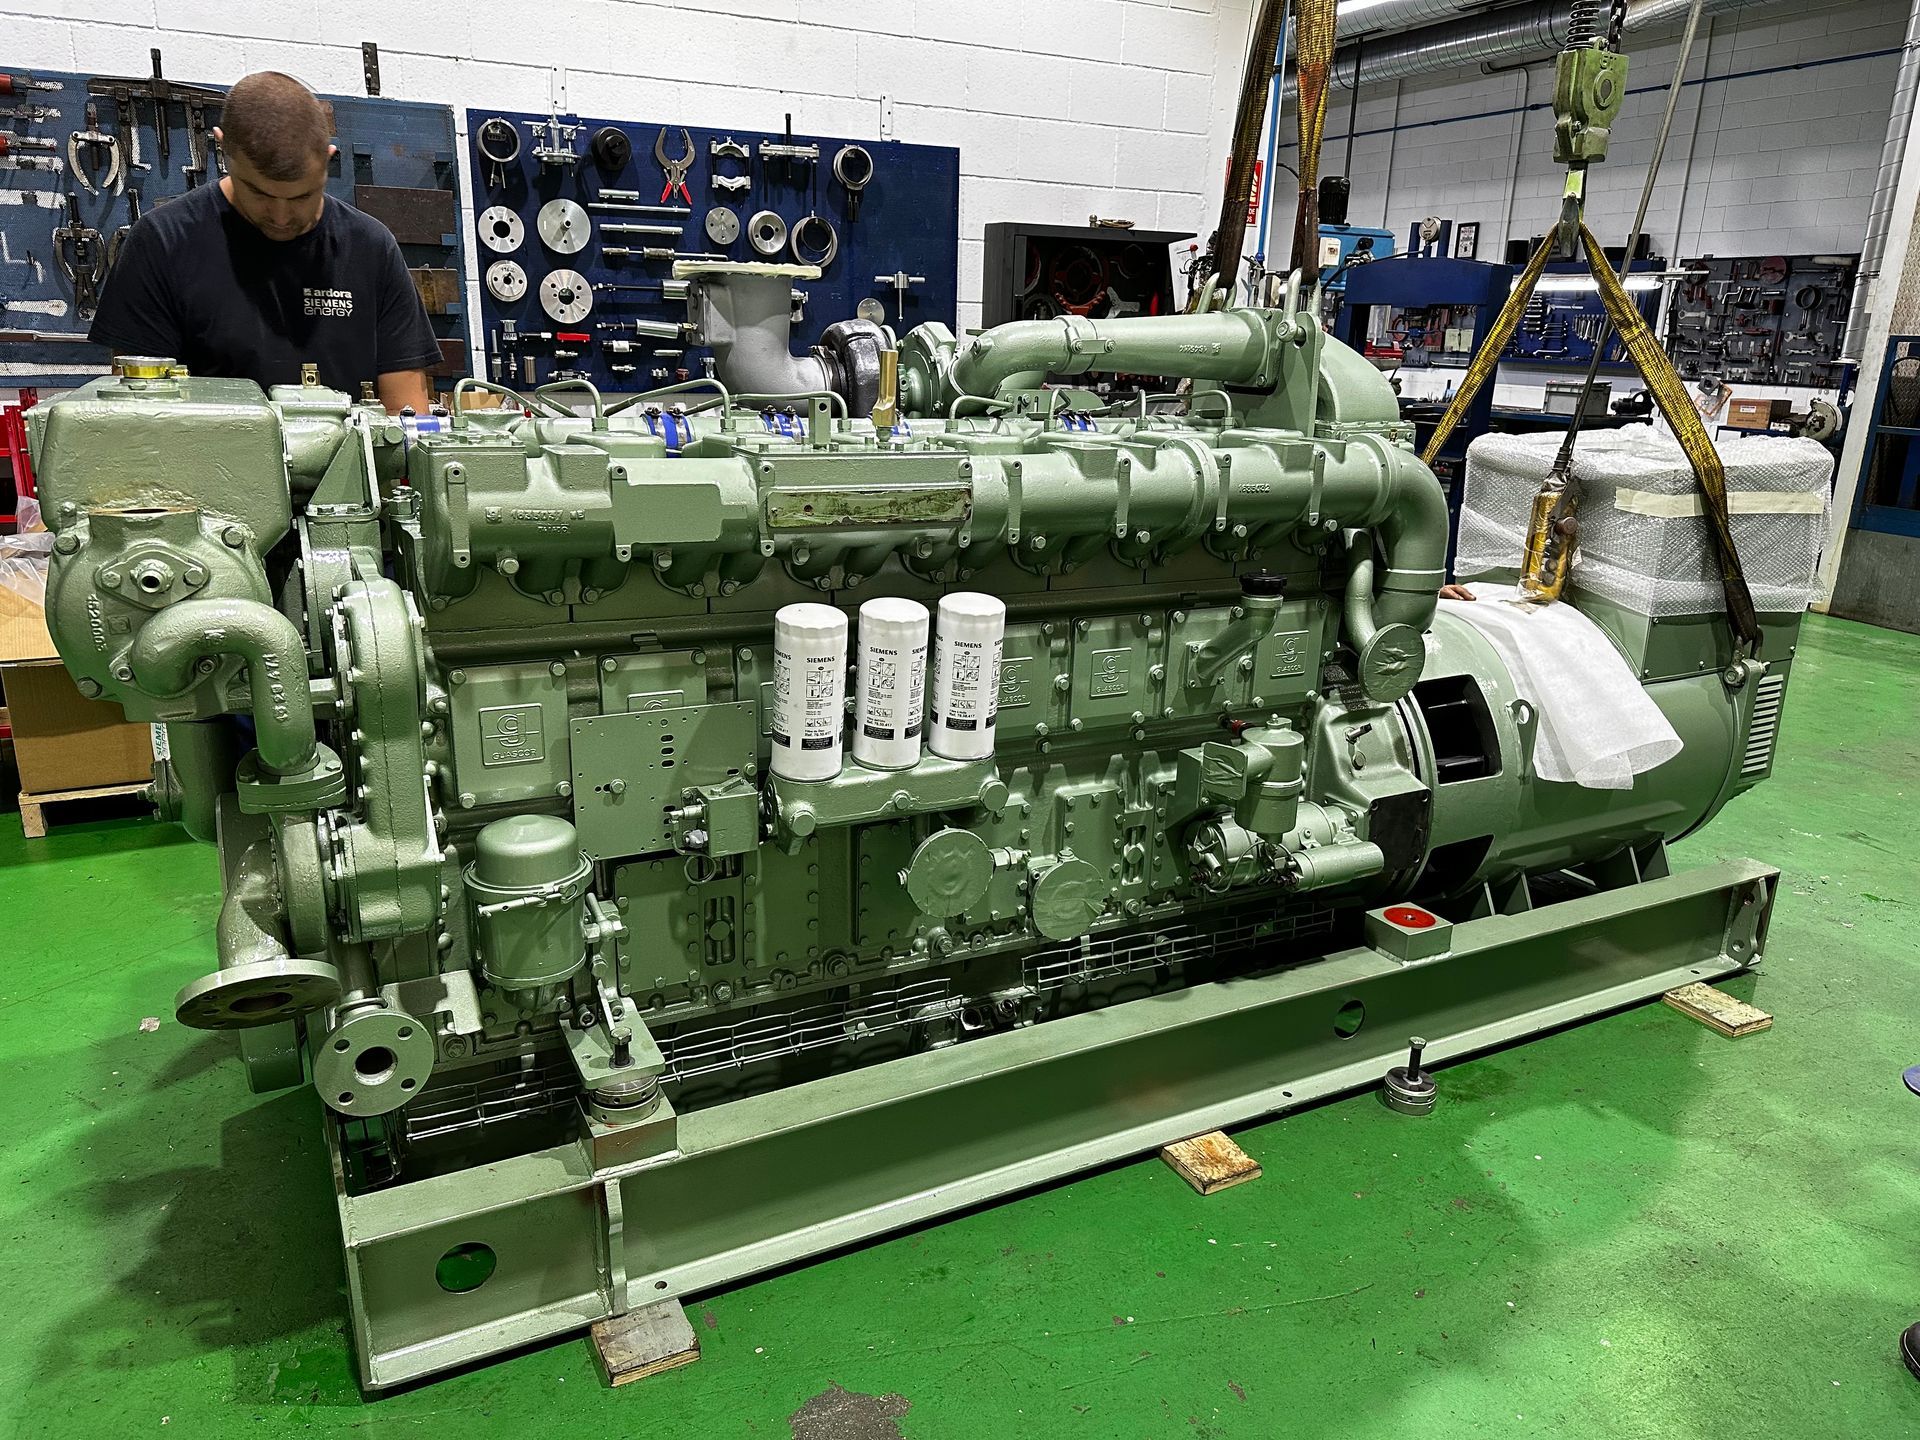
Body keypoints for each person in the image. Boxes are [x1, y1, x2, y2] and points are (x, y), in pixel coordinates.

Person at [89, 71, 441, 414]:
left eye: (302, 196)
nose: (281, 216)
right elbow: (135, 416)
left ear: (329, 160)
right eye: (258, 192)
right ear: (222, 147)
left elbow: (408, 415)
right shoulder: (162, 243)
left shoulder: (371, 247)